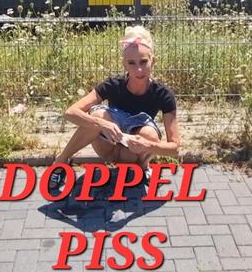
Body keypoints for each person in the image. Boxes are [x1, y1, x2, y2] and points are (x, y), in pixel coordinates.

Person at [48, 25, 181, 192]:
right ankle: (60, 162)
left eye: (143, 62)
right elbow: (70, 113)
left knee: (150, 134)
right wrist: (101, 124)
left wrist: (147, 145)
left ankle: (142, 168)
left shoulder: (163, 94)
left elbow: (175, 148)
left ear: (153, 60)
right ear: (124, 64)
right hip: (108, 146)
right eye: (131, 63)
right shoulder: (113, 85)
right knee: (98, 115)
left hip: (132, 152)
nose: (139, 69)